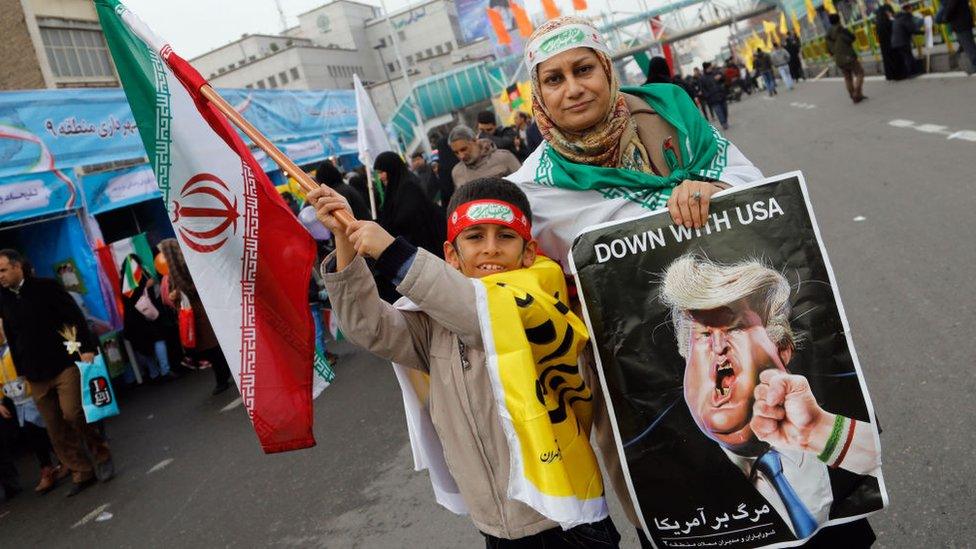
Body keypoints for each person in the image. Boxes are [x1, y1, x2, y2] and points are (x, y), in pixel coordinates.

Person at [505, 15, 769, 543]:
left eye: (583, 69)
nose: (573, 88)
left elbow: (761, 194)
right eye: (554, 79)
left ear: (607, 69)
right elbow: (514, 290)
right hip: (640, 393)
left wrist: (715, 189)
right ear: (538, 94)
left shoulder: (673, 121)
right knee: (689, 511)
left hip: (744, 361)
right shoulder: (530, 193)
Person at [308, 177, 621, 547]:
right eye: (474, 237)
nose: (490, 249)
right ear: (452, 255)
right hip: (494, 523)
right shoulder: (435, 318)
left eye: (505, 236)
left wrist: (394, 253)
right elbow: (370, 327)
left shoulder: (540, 300)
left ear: (528, 252)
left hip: (567, 520)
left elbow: (484, 318)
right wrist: (345, 239)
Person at [660, 254, 880, 543]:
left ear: (783, 348)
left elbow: (875, 463)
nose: (718, 346)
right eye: (702, 334)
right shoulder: (669, 477)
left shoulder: (827, 424)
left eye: (735, 328)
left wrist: (819, 431)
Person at [0, 249, 113, 497]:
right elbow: (11, 334)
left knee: (73, 413)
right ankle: (81, 470)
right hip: (34, 373)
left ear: (18, 266)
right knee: (54, 427)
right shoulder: (3, 299)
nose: (0, 276)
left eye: (3, 270)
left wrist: (87, 348)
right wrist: (22, 371)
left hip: (64, 363)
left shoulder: (47, 287)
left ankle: (101, 453)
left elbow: (75, 317)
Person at [157, 239, 234, 395]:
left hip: (200, 312)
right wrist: (175, 296)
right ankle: (224, 373)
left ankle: (222, 378)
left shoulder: (188, 266)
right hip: (190, 314)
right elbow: (175, 293)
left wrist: (179, 293)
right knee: (207, 349)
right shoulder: (172, 273)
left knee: (211, 348)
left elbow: (198, 286)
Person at [0, 328, 66, 495]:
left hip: (33, 395)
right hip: (18, 402)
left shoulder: (13, 347)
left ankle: (63, 459)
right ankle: (47, 466)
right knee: (34, 434)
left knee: (47, 428)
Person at [373, 151, 447, 258]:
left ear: (391, 169)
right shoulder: (393, 190)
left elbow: (409, 220)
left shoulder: (409, 187)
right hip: (410, 251)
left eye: (382, 172)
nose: (380, 177)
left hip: (424, 251)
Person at [119, 254, 180, 383]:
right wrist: (146, 286)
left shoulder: (123, 281)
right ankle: (165, 370)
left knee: (143, 347)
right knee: (158, 340)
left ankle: (154, 373)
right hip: (147, 316)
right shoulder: (142, 276)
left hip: (132, 320)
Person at [447, 126, 521, 188]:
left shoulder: (504, 157)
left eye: (464, 149)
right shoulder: (457, 172)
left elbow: (525, 185)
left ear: (475, 141)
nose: (461, 156)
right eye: (456, 152)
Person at [826, 14, 867, 103]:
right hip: (848, 56)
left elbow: (829, 49)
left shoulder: (828, 34)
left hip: (838, 59)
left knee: (848, 78)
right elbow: (852, 38)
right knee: (860, 72)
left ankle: (853, 95)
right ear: (839, 20)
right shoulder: (841, 30)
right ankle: (857, 93)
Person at [941, 0, 976, 74]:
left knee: (969, 47)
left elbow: (951, 6)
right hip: (962, 22)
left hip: (961, 24)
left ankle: (975, 66)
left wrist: (945, 17)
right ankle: (973, 65)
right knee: (968, 45)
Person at [891, 6, 923, 78]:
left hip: (895, 42)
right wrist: (923, 32)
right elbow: (911, 29)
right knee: (908, 56)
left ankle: (911, 72)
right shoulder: (906, 17)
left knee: (906, 56)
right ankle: (911, 73)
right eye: (911, 9)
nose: (912, 11)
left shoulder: (897, 18)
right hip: (902, 41)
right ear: (908, 10)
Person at [874, 4, 902, 80]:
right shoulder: (888, 21)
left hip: (884, 45)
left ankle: (890, 75)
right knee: (895, 57)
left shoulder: (878, 22)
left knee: (887, 59)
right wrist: (891, 18)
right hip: (891, 42)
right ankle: (898, 75)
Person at [700, 62, 730, 130]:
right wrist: (708, 96)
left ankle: (725, 120)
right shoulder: (702, 78)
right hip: (713, 99)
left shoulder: (715, 73)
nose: (711, 68)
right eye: (710, 67)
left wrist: (721, 76)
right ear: (706, 68)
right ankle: (723, 123)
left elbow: (723, 79)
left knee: (725, 110)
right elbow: (703, 89)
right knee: (719, 112)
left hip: (721, 95)